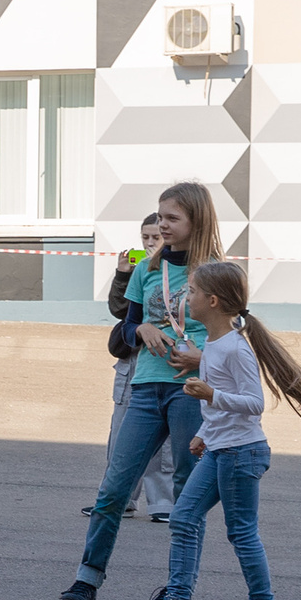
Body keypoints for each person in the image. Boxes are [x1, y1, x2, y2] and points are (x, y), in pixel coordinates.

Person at [123, 260, 301, 600]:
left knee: (242, 532)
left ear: (212, 301)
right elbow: (226, 405)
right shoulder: (215, 344)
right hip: (221, 447)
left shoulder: (234, 348)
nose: (188, 297)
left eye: (194, 292)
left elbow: (254, 403)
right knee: (184, 518)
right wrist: (206, 433)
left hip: (241, 454)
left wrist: (211, 394)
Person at [56, 181, 221, 600]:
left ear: (196, 221)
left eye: (172, 219)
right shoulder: (148, 268)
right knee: (114, 487)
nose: (162, 225)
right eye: (160, 216)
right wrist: (140, 330)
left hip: (191, 390)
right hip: (145, 389)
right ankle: (86, 581)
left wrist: (202, 356)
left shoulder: (216, 271)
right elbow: (123, 330)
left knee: (187, 493)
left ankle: (177, 592)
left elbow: (237, 336)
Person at [88, 213, 176, 523]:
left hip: (162, 359)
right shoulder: (140, 270)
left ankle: (163, 503)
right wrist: (123, 274)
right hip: (132, 361)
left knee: (161, 442)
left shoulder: (174, 270)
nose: (151, 243)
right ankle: (117, 498)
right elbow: (121, 312)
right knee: (122, 433)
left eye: (157, 237)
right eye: (146, 238)